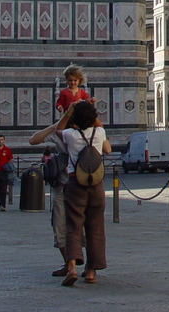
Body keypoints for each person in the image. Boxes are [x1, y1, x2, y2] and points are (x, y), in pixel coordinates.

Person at [57, 100, 110, 286]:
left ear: (75, 119)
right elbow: (102, 133)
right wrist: (92, 113)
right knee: (95, 228)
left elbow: (58, 130)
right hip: (96, 185)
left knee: (73, 226)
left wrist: (68, 112)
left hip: (75, 184)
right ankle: (91, 272)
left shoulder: (71, 135)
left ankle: (71, 267)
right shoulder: (100, 132)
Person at [29, 119, 85, 277]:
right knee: (59, 224)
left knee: (85, 226)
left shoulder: (86, 132)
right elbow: (34, 140)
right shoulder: (58, 133)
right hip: (62, 187)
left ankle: (89, 266)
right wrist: (54, 126)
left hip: (82, 186)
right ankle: (69, 263)